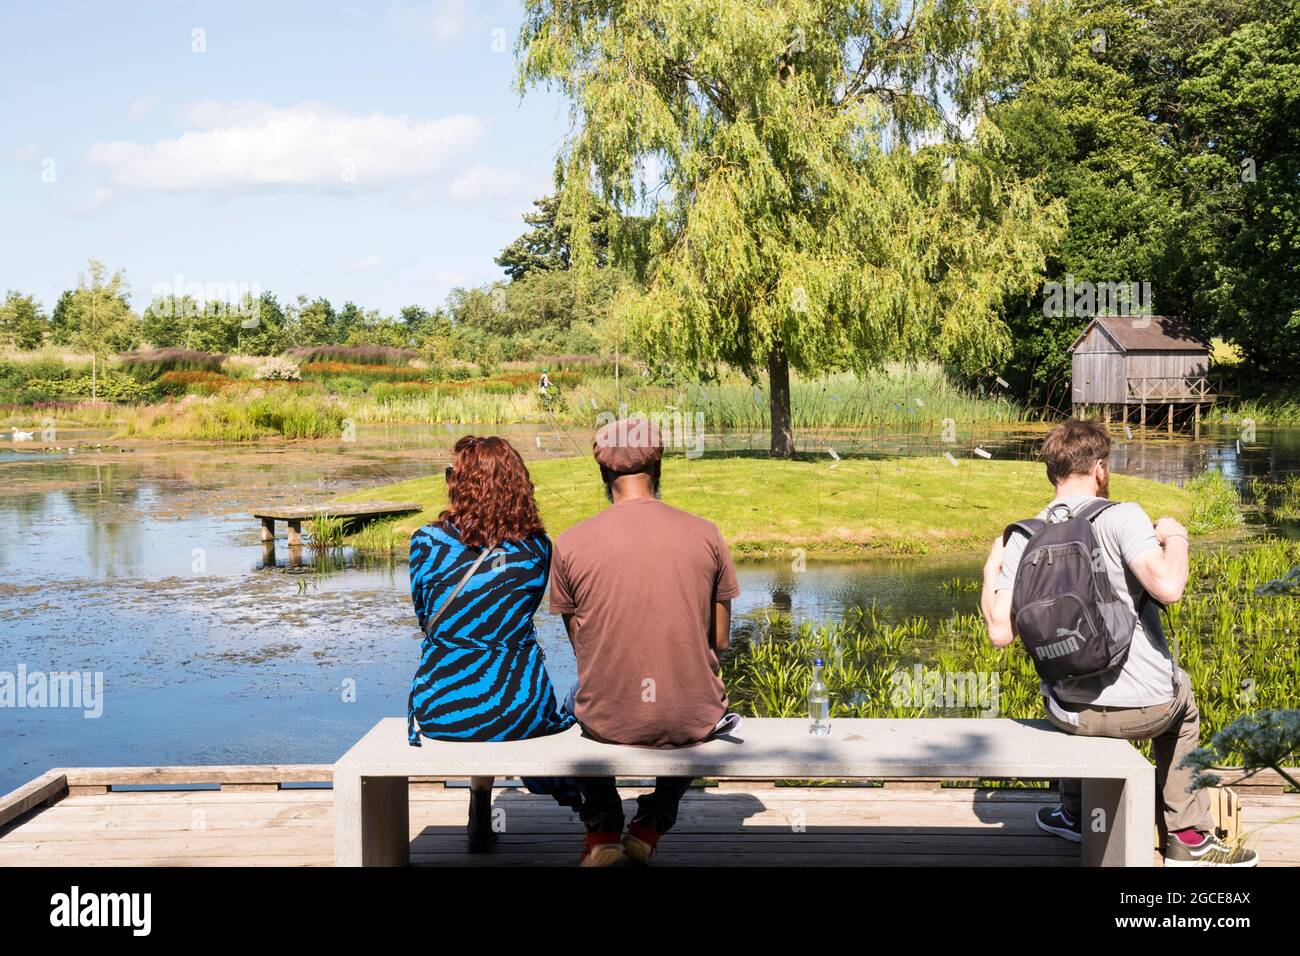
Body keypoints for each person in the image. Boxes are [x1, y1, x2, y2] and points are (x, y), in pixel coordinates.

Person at [980, 419, 1258, 867]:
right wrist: (1176, 535)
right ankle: (1189, 836)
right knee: (1183, 704)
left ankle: (1074, 814)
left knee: (1056, 683)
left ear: (1052, 474)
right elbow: (1168, 586)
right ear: (1101, 470)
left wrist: (991, 571)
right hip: (1147, 712)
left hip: (1070, 716)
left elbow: (999, 632)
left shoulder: (1024, 535)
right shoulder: (1122, 515)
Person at [550, 417, 740, 866]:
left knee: (570, 701)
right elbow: (721, 642)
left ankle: (602, 828)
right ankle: (654, 820)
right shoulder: (707, 533)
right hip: (688, 719)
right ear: (659, 468)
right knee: (704, 701)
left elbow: (583, 647)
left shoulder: (571, 542)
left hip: (608, 719)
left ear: (603, 476)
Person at [407, 435, 578, 852]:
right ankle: (590, 813)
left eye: (452, 475)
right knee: (501, 686)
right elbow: (519, 615)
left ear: (462, 484)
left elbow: (426, 617)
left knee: (476, 682)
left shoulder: (425, 543)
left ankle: (479, 803)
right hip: (520, 707)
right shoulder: (537, 549)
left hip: (445, 708)